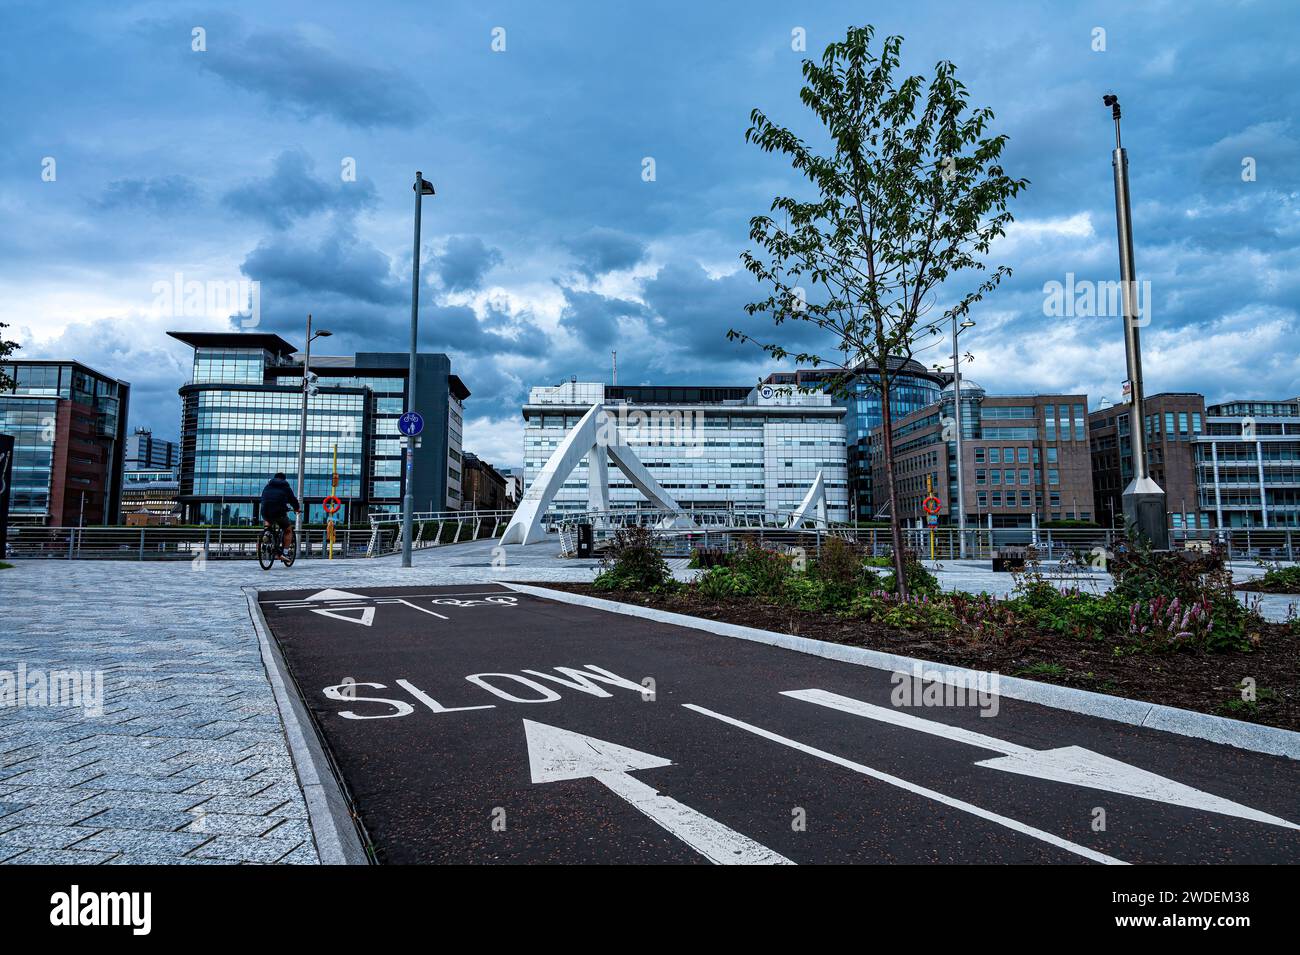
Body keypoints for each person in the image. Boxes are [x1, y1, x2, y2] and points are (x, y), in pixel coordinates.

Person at [259, 472, 301, 561]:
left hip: (265, 510)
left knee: (268, 519)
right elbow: (293, 500)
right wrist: (296, 509)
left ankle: (267, 532)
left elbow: (263, 498)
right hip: (279, 511)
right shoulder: (286, 487)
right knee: (288, 530)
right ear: (284, 479)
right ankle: (284, 553)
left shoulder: (267, 486)